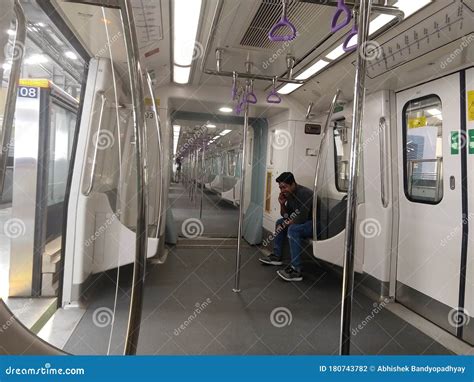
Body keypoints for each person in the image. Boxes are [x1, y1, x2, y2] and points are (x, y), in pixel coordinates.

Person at [259, 172, 313, 282]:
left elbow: (302, 218)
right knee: (280, 222)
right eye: (280, 187)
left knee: (293, 229)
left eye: (284, 187)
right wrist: (282, 204)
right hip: (304, 222)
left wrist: (288, 223)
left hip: (316, 223)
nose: (282, 190)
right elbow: (286, 216)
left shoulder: (304, 194)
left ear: (293, 184)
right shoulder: (290, 195)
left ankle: (296, 269)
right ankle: (276, 256)